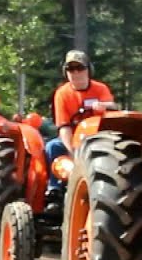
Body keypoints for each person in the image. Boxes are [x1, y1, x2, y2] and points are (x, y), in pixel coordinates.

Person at [44, 50, 117, 213]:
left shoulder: (100, 89)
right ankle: (54, 189)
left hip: (98, 138)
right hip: (73, 140)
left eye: (80, 68)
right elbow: (64, 126)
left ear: (88, 70)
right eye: (71, 69)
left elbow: (113, 108)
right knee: (52, 147)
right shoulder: (62, 94)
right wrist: (73, 152)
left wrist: (104, 106)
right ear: (66, 72)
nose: (76, 73)